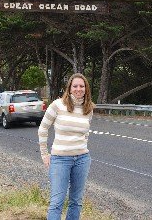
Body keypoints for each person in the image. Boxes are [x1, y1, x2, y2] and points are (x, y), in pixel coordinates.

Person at [38, 73, 95, 220]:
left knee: (76, 202)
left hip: (82, 159)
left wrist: (81, 147)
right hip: (60, 160)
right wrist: (44, 154)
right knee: (57, 202)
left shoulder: (88, 108)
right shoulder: (57, 105)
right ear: (69, 88)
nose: (78, 89)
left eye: (81, 86)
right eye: (75, 86)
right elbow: (43, 129)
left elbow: (86, 134)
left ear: (86, 89)